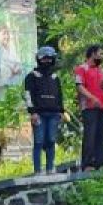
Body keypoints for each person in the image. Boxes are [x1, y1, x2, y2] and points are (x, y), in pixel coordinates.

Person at [24, 46, 67, 174]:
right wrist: (32, 112)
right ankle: (37, 170)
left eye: (49, 58)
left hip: (54, 114)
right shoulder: (31, 76)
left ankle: (50, 168)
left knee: (51, 140)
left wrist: (61, 111)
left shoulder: (55, 77)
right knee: (38, 141)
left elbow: (59, 96)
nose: (47, 61)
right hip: (39, 114)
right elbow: (28, 95)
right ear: (39, 59)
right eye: (44, 58)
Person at [74, 45, 103, 171]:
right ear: (93, 54)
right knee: (90, 135)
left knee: (102, 136)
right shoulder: (81, 68)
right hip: (89, 107)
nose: (102, 56)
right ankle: (87, 164)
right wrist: (91, 97)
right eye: (100, 53)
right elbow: (79, 86)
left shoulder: (101, 70)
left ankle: (99, 163)